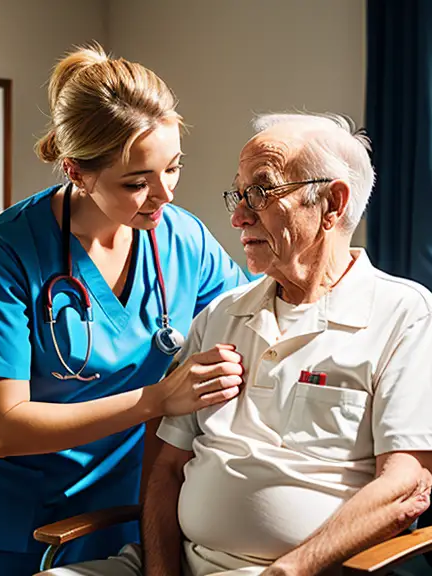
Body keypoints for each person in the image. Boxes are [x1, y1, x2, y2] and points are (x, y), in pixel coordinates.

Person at [37, 113, 432, 576]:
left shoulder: (403, 315)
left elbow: (407, 485)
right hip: (180, 562)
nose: (238, 215)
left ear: (332, 203)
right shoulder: (221, 314)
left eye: (261, 193)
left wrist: (290, 570)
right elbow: (166, 470)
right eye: (239, 193)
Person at [0, 42, 248, 576]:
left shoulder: (183, 238)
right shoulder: (5, 251)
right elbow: (7, 428)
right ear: (75, 171)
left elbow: (247, 315)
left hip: (110, 480)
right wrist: (159, 399)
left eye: (174, 168)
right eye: (136, 182)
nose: (162, 195)